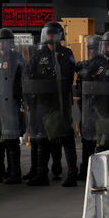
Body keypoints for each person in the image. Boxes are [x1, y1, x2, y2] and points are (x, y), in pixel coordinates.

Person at [22, 22, 78, 187]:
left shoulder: (66, 53)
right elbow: (28, 72)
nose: (49, 37)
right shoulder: (38, 55)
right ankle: (41, 174)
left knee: (65, 138)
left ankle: (72, 174)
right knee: (42, 138)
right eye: (47, 34)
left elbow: (68, 73)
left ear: (59, 36)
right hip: (42, 103)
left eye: (53, 34)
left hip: (59, 103)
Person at [77, 31, 109, 175]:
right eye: (104, 45)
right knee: (94, 141)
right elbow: (84, 72)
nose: (106, 48)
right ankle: (90, 171)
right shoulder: (97, 61)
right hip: (96, 108)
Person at [0, 29, 26, 184]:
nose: (1, 43)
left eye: (4, 41)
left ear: (10, 43)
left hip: (11, 104)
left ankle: (14, 172)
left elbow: (22, 79)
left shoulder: (17, 57)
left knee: (11, 140)